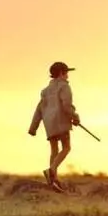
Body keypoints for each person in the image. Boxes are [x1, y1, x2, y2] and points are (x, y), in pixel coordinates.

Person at [28, 61, 80, 191]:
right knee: (67, 147)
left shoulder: (45, 91)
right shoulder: (64, 87)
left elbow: (39, 109)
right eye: (66, 73)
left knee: (54, 150)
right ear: (61, 73)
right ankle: (51, 171)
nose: (68, 76)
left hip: (49, 124)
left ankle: (53, 180)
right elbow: (66, 105)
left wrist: (33, 128)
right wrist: (75, 117)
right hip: (61, 122)